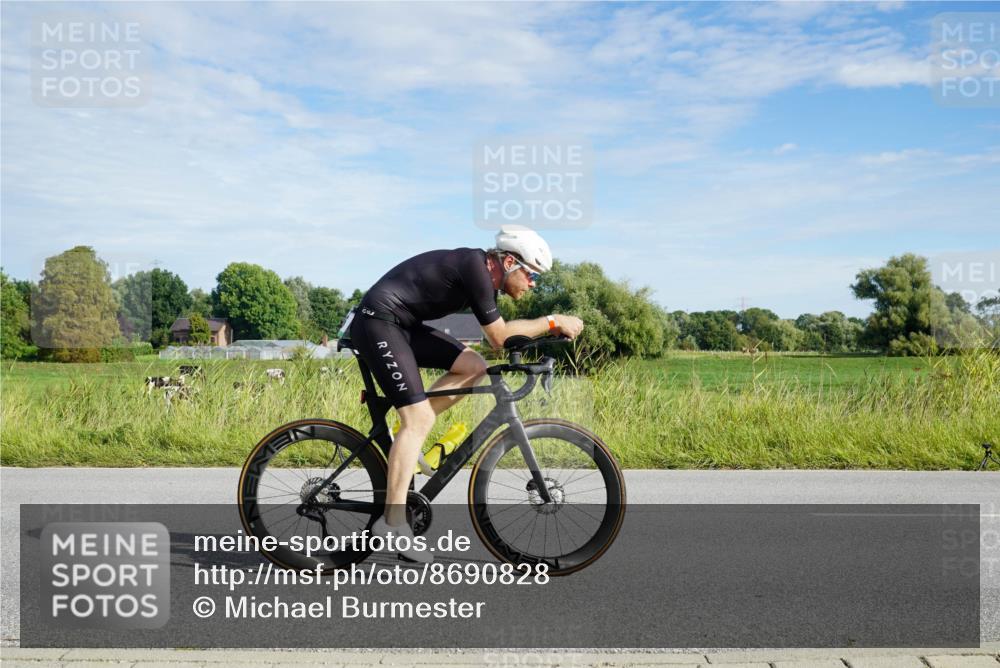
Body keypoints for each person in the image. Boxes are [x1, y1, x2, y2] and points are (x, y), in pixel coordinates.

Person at [349, 225, 584, 562]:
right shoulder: (476, 269)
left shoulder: (482, 275)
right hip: (378, 322)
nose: (533, 284)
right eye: (532, 275)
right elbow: (500, 338)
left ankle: (409, 440)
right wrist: (551, 321)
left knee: (472, 365)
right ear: (508, 262)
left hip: (402, 324)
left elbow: (498, 342)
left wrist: (546, 330)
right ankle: (393, 523)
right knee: (415, 420)